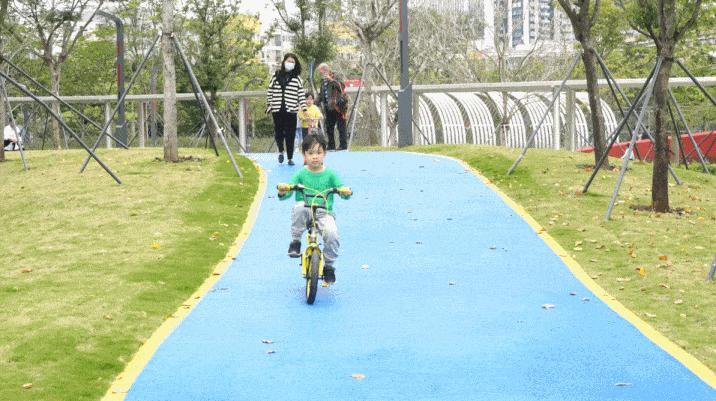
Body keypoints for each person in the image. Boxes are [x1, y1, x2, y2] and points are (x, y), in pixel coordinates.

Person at [277, 134, 352, 283]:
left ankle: (329, 266)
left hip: (324, 212)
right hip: (306, 209)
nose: (315, 157)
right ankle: (296, 241)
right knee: (299, 208)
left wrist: (344, 191)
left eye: (318, 152)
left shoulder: (330, 174)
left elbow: (342, 190)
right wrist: (283, 191)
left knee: (332, 233)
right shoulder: (300, 173)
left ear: (325, 153)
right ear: (304, 155)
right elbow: (289, 191)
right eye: (310, 153)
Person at [266, 53, 307, 166]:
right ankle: (280, 151)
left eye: (293, 62)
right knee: (278, 132)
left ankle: (290, 157)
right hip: (277, 108)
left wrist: (304, 109)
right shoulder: (276, 75)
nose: (290, 63)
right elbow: (270, 91)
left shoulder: (297, 79)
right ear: (284, 62)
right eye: (289, 61)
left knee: (290, 134)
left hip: (291, 110)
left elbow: (301, 94)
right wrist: (269, 105)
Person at [315, 63, 348, 151]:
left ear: (325, 69)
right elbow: (321, 94)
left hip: (338, 106)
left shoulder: (336, 75)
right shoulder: (323, 81)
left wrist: (332, 80)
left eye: (320, 71)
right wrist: (314, 104)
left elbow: (342, 87)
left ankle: (343, 146)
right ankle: (331, 145)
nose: (320, 73)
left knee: (341, 126)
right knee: (329, 127)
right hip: (328, 107)